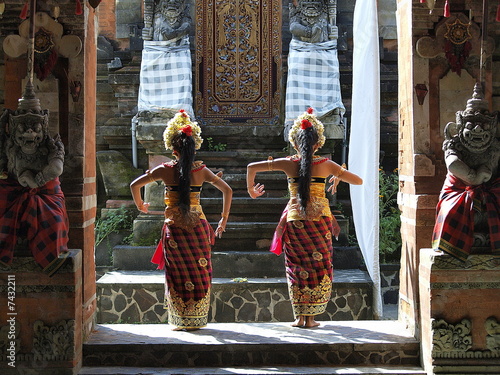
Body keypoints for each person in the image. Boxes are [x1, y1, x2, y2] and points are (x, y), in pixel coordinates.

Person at [246, 107, 362, 328]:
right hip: (320, 222)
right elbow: (358, 181)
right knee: (319, 265)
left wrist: (251, 190)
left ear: (295, 142)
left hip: (295, 220)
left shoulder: (286, 163)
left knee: (296, 266)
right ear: (318, 143)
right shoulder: (326, 165)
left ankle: (299, 317)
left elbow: (251, 167)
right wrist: (338, 175)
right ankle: (312, 318)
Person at [130, 109, 232, 331]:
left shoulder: (163, 170)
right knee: (199, 271)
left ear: (172, 148)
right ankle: (197, 319)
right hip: (199, 228)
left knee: (177, 273)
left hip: (174, 229)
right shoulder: (202, 171)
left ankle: (180, 319)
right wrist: (223, 220)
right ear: (193, 147)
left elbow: (134, 185)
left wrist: (140, 205)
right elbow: (227, 190)